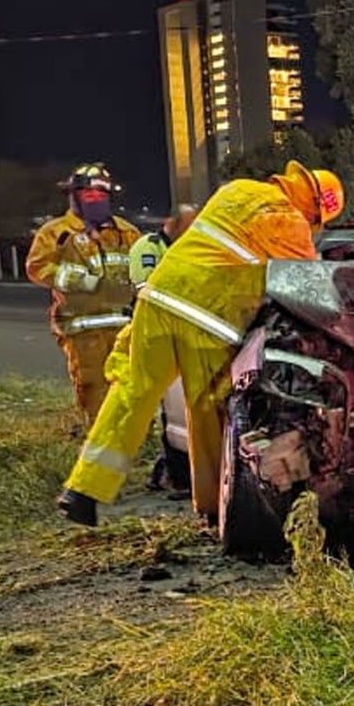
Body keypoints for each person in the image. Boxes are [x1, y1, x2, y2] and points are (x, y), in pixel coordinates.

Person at [56, 161, 345, 526]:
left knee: (132, 394)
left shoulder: (237, 190)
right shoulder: (292, 224)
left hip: (158, 297)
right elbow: (309, 294)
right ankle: (213, 508)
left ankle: (82, 491)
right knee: (209, 412)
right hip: (207, 319)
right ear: (316, 210)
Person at [26, 163, 141, 424]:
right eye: (89, 195)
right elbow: (37, 267)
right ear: (74, 196)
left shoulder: (127, 232)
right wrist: (86, 281)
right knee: (94, 388)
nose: (96, 201)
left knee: (131, 384)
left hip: (125, 326)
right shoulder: (56, 233)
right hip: (82, 328)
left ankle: (136, 437)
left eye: (102, 196)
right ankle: (102, 443)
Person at [128, 203, 198, 494]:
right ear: (172, 222)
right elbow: (147, 289)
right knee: (169, 408)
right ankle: (177, 477)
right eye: (189, 224)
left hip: (186, 331)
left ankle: (174, 472)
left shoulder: (192, 247)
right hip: (156, 333)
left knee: (181, 409)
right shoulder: (148, 246)